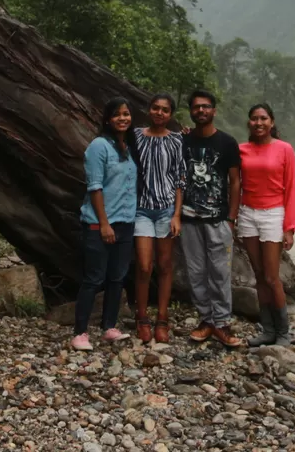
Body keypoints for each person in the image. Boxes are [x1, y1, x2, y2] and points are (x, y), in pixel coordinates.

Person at [71, 97, 137, 351]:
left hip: (126, 222)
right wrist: (104, 223)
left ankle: (109, 327)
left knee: (117, 278)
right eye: (118, 114)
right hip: (100, 224)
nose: (123, 118)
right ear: (108, 119)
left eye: (127, 113)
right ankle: (80, 333)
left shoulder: (127, 146)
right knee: (93, 278)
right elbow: (95, 187)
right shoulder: (99, 146)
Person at [180, 89, 243, 347]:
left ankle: (222, 323)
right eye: (196, 107)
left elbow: (236, 181)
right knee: (196, 272)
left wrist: (231, 218)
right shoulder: (183, 141)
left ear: (214, 111)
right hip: (189, 219)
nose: (201, 111)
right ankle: (206, 320)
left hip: (219, 219)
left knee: (220, 273)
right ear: (192, 112)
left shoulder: (227, 143)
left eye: (206, 107)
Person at [237, 104, 295, 346]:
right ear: (249, 123)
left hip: (273, 214)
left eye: (263, 118)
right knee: (259, 275)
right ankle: (267, 330)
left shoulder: (285, 149)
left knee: (272, 277)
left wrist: (289, 227)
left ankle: (284, 332)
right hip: (247, 213)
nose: (258, 123)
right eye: (254, 119)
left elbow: (291, 188)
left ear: (272, 122)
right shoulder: (241, 149)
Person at [132, 93, 185, 344]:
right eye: (156, 108)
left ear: (170, 115)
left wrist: (176, 214)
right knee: (144, 266)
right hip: (140, 209)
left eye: (165, 110)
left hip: (165, 210)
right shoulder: (135, 136)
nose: (160, 113)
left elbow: (179, 178)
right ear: (148, 109)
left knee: (164, 266)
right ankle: (141, 317)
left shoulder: (176, 140)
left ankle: (162, 319)